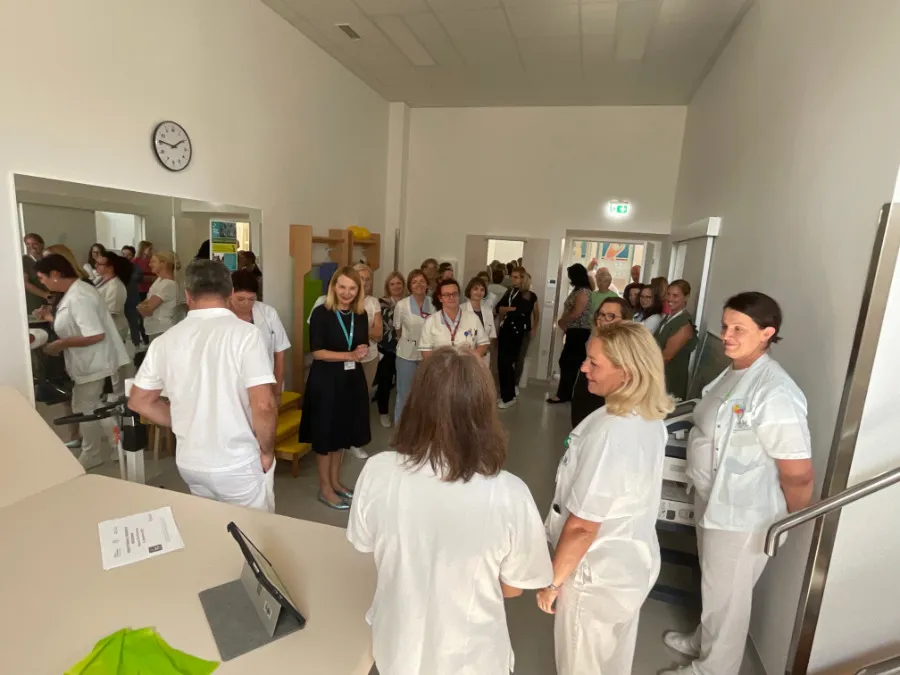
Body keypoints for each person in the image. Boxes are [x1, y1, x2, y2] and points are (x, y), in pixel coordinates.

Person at [348, 347, 552, 675]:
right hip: (472, 657)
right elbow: (514, 586)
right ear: (483, 411)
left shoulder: (377, 471)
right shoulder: (510, 493)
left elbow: (365, 545)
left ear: (415, 402)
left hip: (397, 647)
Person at [660, 292, 815, 675]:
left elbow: (798, 472)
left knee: (727, 597)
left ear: (767, 333)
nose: (727, 336)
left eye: (738, 329)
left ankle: (714, 669)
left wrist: (793, 519)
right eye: (726, 326)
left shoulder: (775, 392)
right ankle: (703, 641)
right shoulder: (734, 371)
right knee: (715, 586)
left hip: (745, 513)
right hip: (715, 500)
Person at [538, 321, 673, 675]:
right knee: (612, 663)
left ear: (626, 372)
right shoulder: (647, 417)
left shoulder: (613, 432)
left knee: (581, 665)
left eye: (594, 363)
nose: (584, 368)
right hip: (630, 564)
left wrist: (552, 583)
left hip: (596, 573)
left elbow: (583, 525)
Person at [129, 260, 279, 512]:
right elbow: (263, 404)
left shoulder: (165, 341)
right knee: (255, 529)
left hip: (191, 462)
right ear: (230, 293)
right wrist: (267, 450)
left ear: (188, 295)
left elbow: (139, 401)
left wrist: (186, 422)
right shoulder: (245, 334)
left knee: (210, 523)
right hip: (236, 461)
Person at [34, 254, 129, 469]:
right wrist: (50, 318)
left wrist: (61, 344)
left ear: (55, 274)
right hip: (88, 361)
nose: (42, 283)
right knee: (92, 406)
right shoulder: (74, 293)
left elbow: (95, 334)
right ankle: (112, 448)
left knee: (87, 407)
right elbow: (75, 323)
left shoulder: (79, 296)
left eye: (42, 278)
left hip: (94, 361)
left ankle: (95, 452)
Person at [299, 267, 372, 509]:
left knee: (341, 434)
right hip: (326, 381)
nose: (347, 293)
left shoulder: (360, 314)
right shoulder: (321, 313)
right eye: (342, 287)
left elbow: (361, 343)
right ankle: (325, 488)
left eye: (352, 288)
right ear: (333, 287)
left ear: (358, 290)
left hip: (350, 380)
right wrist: (349, 355)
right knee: (325, 436)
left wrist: (361, 350)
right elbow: (318, 352)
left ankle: (336, 482)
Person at [570, 297, 632, 428]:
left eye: (610, 316)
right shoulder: (595, 336)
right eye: (601, 314)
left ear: (625, 320)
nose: (602, 319)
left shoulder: (625, 351)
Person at [230, 270, 290, 394]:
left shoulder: (268, 313)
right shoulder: (221, 316)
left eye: (251, 299)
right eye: (240, 299)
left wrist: (277, 392)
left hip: (263, 385)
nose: (246, 304)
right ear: (230, 293)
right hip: (232, 388)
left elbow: (279, 354)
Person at [351, 263, 383, 460]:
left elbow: (378, 334)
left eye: (368, 279)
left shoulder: (373, 303)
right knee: (347, 398)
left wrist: (359, 328)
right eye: (361, 278)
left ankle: (357, 441)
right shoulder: (345, 301)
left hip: (369, 358)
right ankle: (343, 437)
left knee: (362, 400)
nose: (365, 282)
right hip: (347, 358)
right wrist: (366, 329)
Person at [547, 264, 592, 404]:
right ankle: (567, 393)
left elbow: (576, 313)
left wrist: (562, 321)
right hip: (574, 330)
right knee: (568, 362)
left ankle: (564, 394)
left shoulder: (583, 292)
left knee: (569, 363)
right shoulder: (578, 290)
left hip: (580, 331)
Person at [392, 269, 433, 424]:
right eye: (414, 282)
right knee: (405, 393)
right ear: (409, 286)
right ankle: (400, 427)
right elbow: (398, 329)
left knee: (425, 394)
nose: (419, 284)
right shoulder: (402, 305)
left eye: (422, 281)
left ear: (427, 284)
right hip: (406, 353)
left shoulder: (433, 304)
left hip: (427, 354)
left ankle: (420, 428)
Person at [496, 267, 537, 408]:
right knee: (502, 364)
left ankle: (508, 397)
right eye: (512, 276)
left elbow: (521, 311)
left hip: (516, 332)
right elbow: (498, 308)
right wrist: (510, 309)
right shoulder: (510, 291)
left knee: (508, 363)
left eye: (516, 277)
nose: (512, 279)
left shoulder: (527, 294)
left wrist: (507, 310)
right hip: (505, 329)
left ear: (522, 278)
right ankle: (506, 394)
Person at [419, 279, 490, 358]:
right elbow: (425, 351)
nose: (451, 297)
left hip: (467, 364)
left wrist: (472, 360)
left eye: (454, 294)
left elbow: (483, 344)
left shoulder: (473, 318)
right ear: (440, 298)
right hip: (440, 365)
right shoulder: (431, 321)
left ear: (459, 295)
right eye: (447, 295)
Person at [94, 251, 132, 394]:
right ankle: (109, 392)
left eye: (100, 264)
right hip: (103, 327)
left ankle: (117, 394)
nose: (96, 266)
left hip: (114, 328)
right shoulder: (100, 280)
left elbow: (112, 310)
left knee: (114, 365)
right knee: (107, 363)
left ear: (110, 267)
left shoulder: (115, 286)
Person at [655, 279, 698, 400]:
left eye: (675, 295)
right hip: (659, 376)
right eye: (668, 294)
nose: (670, 299)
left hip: (670, 379)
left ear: (686, 297)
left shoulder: (684, 324)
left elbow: (666, 357)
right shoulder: (669, 317)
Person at [373, 272, 405, 428]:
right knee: (384, 382)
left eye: (399, 283)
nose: (396, 286)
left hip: (405, 349)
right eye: (392, 284)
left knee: (403, 383)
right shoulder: (380, 303)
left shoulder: (409, 302)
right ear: (387, 286)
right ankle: (383, 412)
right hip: (386, 349)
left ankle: (403, 413)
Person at [138, 250, 179, 340]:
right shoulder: (159, 280)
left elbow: (147, 310)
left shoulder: (168, 284)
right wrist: (142, 306)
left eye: (153, 262)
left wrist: (140, 306)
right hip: (154, 329)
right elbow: (146, 303)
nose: (150, 265)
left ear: (164, 263)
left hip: (161, 329)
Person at [513, 271, 540, 390]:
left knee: (520, 358)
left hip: (524, 331)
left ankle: (515, 384)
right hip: (511, 329)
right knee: (510, 358)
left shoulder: (532, 296)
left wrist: (534, 327)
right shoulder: (513, 293)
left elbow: (536, 313)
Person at [462, 276, 497, 365]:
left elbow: (492, 334)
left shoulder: (488, 311)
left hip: (484, 354)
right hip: (465, 354)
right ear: (469, 291)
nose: (479, 292)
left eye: (482, 290)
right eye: (476, 289)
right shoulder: (461, 310)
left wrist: (483, 349)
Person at [120, 245, 146, 347]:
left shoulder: (136, 268)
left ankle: (137, 344)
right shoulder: (116, 268)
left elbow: (138, 279)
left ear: (133, 256)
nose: (125, 257)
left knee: (134, 322)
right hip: (119, 299)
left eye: (128, 255)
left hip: (131, 299)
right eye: (123, 254)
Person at [22, 232, 49, 315]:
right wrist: (46, 295)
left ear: (42, 245)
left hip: (51, 304)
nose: (31, 247)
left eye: (34, 244)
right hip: (34, 304)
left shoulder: (48, 260)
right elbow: (26, 283)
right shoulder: (24, 261)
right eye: (28, 244)